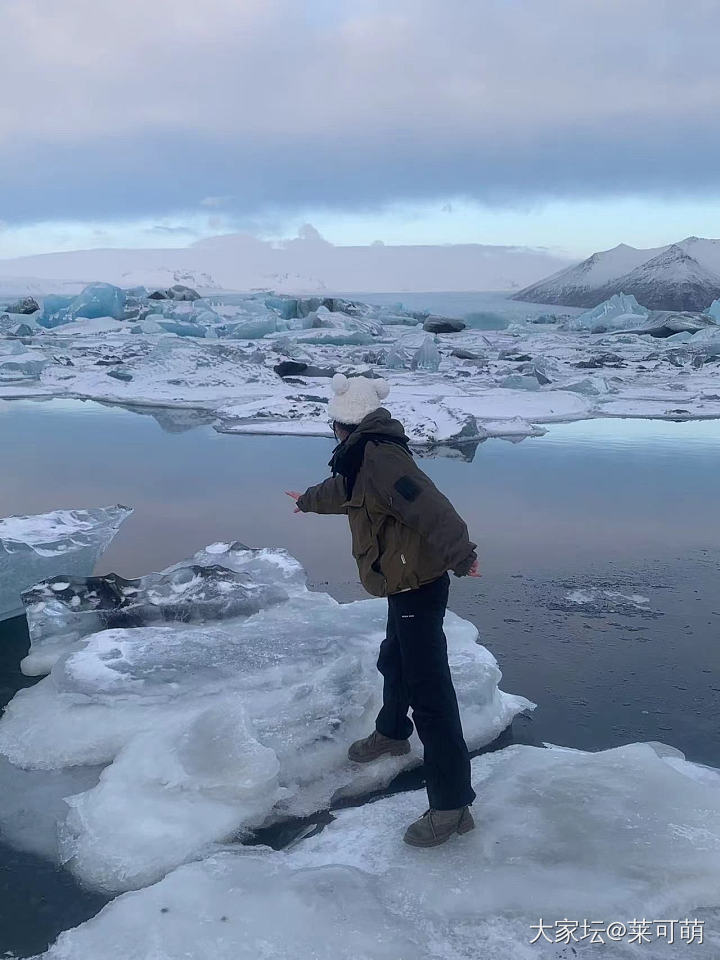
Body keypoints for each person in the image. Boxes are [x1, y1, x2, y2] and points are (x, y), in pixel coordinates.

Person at [286, 374, 481, 848]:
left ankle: (452, 807)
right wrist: (309, 501)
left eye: (333, 425)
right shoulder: (363, 456)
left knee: (431, 696)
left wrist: (463, 555)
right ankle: (392, 733)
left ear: (344, 425)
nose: (332, 432)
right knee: (394, 659)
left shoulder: (384, 459)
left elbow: (431, 506)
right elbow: (348, 491)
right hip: (403, 581)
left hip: (418, 585)